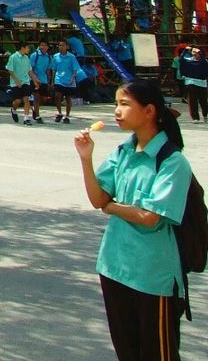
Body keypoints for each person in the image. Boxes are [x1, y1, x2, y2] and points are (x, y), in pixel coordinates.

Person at [74, 79, 193, 361]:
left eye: (124, 104)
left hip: (153, 277)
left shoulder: (171, 161)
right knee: (127, 351)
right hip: (115, 268)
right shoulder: (123, 152)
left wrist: (113, 208)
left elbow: (150, 217)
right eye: (116, 103)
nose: (117, 111)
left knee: (158, 354)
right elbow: (97, 199)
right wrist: (86, 159)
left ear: (149, 111)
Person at [52, 37, 84, 123]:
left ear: (67, 46)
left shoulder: (71, 57)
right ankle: (59, 113)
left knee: (68, 98)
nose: (61, 47)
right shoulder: (55, 56)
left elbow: (75, 69)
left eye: (63, 45)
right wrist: (52, 80)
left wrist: (72, 79)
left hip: (69, 80)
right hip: (58, 79)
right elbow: (54, 69)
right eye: (59, 45)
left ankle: (67, 116)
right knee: (57, 96)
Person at [5, 39, 34, 126]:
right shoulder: (13, 57)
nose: (28, 49)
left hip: (25, 81)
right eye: (27, 47)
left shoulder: (26, 58)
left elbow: (29, 70)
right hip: (15, 83)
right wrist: (16, 80)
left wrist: (35, 80)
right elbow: (10, 69)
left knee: (26, 99)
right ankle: (13, 110)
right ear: (23, 48)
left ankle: (26, 118)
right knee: (17, 101)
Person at [179, 46, 207, 122]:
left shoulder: (204, 61)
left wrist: (200, 52)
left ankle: (205, 115)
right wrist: (185, 50)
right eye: (194, 52)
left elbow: (203, 61)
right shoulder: (188, 61)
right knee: (192, 101)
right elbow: (181, 60)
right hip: (191, 82)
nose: (195, 54)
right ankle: (195, 118)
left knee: (203, 101)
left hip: (202, 83)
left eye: (197, 53)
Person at [29, 39, 54, 125]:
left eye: (45, 45)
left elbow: (48, 71)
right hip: (34, 80)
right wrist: (34, 79)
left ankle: (34, 110)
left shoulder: (49, 57)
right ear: (39, 46)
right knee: (36, 97)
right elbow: (30, 69)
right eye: (42, 45)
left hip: (44, 80)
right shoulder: (34, 55)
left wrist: (49, 82)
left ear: (48, 47)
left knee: (43, 99)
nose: (43, 47)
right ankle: (38, 116)